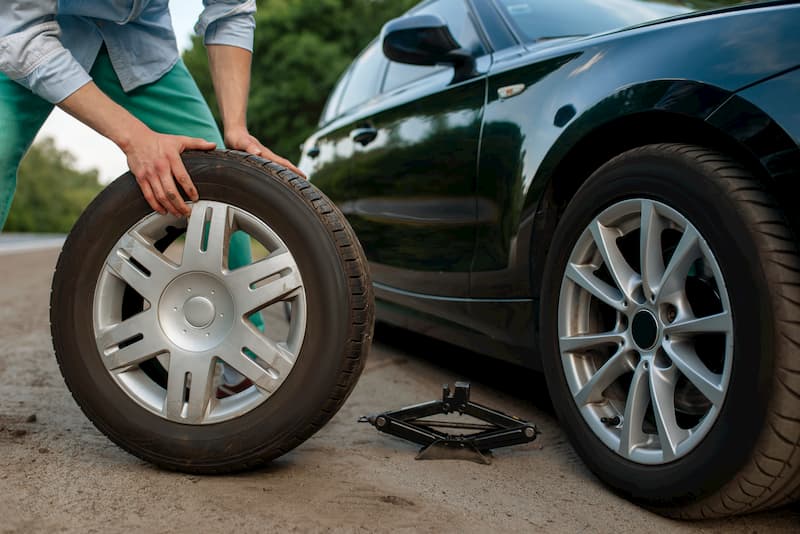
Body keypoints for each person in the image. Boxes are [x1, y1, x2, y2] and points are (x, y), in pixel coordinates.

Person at [0, 0, 300, 395]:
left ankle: (238, 356)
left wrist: (237, 126)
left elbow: (230, 11)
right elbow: (20, 36)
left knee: (219, 178)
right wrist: (134, 138)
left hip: (139, 43)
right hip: (24, 34)